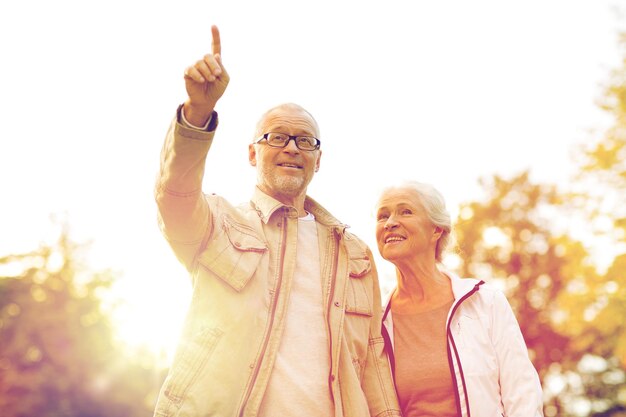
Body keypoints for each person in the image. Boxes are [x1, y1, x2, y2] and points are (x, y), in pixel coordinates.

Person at [152, 25, 400, 417]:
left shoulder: (355, 254)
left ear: (319, 160)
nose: (291, 148)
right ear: (253, 153)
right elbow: (173, 195)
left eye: (305, 141)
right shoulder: (218, 224)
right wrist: (197, 113)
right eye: (277, 137)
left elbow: (373, 361)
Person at [375, 181, 544, 417]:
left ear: (437, 230)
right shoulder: (376, 323)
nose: (390, 223)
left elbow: (522, 395)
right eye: (382, 216)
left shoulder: (485, 302)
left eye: (406, 211)